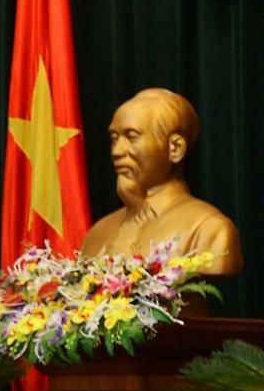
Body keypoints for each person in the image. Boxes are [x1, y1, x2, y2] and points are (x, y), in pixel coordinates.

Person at [79, 88, 243, 276]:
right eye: (114, 139)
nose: (116, 151)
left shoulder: (208, 229)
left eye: (132, 137)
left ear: (175, 148)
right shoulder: (97, 233)